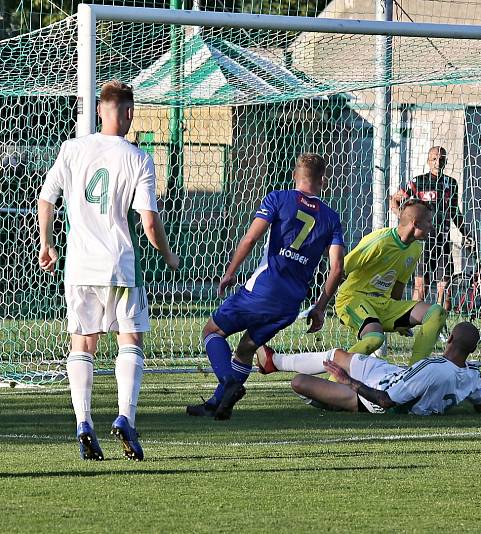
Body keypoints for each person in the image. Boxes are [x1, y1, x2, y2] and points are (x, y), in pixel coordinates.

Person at [37, 80, 180, 461]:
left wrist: (46, 243)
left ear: (100, 110)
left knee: (83, 344)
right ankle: (124, 418)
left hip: (80, 266)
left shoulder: (72, 149)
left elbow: (45, 198)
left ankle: (84, 421)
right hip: (119, 264)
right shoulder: (137, 158)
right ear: (130, 113)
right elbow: (149, 224)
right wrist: (168, 256)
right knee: (130, 339)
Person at [186, 153, 345, 420]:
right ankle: (217, 404)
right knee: (247, 348)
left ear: (296, 175)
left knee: (212, 332)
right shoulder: (331, 218)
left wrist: (230, 272)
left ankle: (228, 382)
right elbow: (337, 268)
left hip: (263, 288)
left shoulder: (278, 198)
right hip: (291, 303)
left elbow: (250, 239)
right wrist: (319, 308)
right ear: (323, 180)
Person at [256, 322, 481, 415]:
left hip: (371, 396)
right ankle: (274, 361)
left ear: (449, 339)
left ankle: (329, 402)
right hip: (388, 375)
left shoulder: (433, 366)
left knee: (299, 383)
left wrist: (348, 381)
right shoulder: (473, 375)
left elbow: (386, 401)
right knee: (338, 355)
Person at [334, 199, 446, 365]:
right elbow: (340, 269)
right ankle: (334, 376)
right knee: (375, 338)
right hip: (353, 299)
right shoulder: (380, 241)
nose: (432, 226)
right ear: (415, 223)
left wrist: (400, 319)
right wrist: (321, 305)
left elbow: (399, 285)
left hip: (383, 305)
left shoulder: (415, 248)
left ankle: (414, 373)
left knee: (436, 312)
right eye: (429, 221)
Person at [389, 146, 470, 310]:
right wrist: (404, 219)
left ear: (446, 161)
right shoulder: (418, 182)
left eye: (441, 159)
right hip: (422, 242)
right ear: (428, 161)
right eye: (434, 159)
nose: (437, 162)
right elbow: (394, 200)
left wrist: (467, 233)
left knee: (446, 289)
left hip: (443, 240)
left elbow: (455, 212)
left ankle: (440, 330)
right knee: (421, 287)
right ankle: (411, 323)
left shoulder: (450, 184)